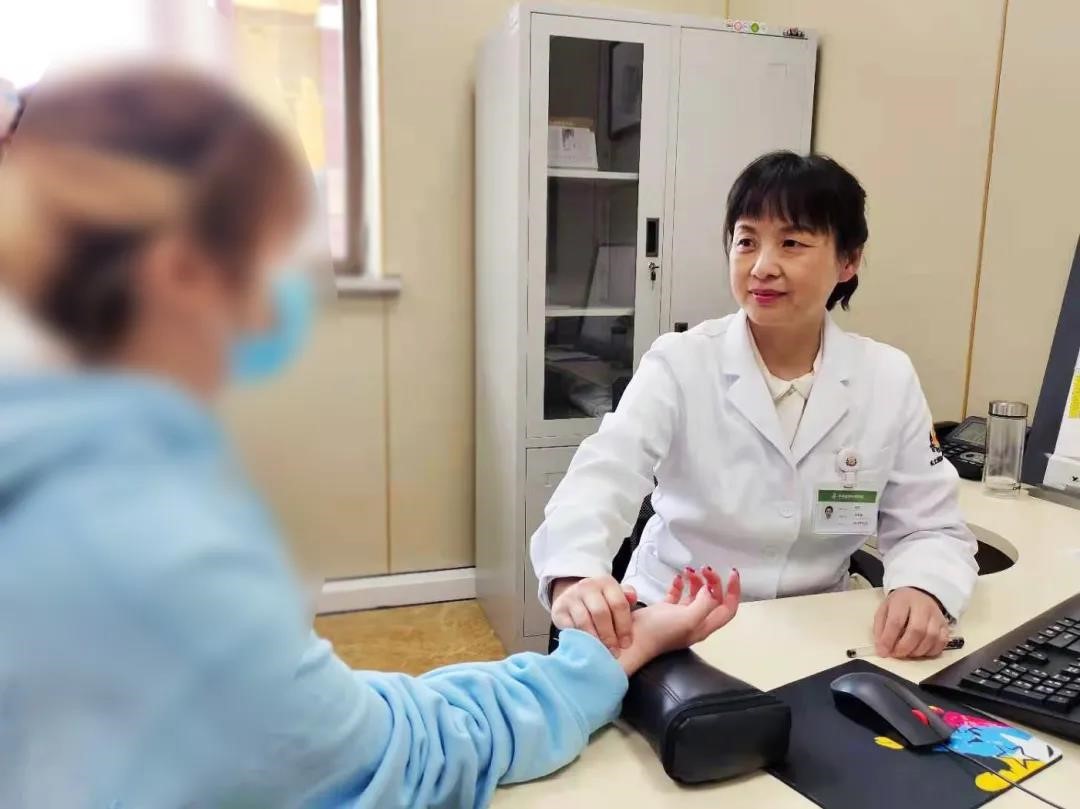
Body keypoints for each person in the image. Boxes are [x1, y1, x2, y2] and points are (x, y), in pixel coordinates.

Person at [0, 66, 742, 809]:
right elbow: (375, 758)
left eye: (793, 242)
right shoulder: (133, 542)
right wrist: (593, 649)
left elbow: (319, 725)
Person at [531, 151, 978, 662]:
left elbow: (929, 523)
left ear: (848, 261)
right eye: (746, 242)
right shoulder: (680, 362)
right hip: (675, 622)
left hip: (820, 627)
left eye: (792, 243)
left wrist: (923, 588)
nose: (762, 267)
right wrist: (574, 572)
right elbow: (603, 475)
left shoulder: (887, 377)